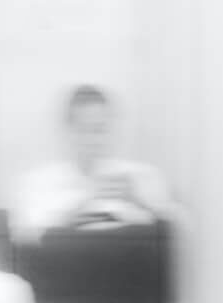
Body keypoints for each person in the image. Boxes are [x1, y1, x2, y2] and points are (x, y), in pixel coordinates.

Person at [9, 85, 182, 247]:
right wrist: (81, 205)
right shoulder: (38, 183)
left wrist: (139, 201)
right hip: (61, 270)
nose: (93, 140)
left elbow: (182, 230)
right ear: (68, 131)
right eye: (83, 130)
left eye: (100, 130)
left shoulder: (138, 176)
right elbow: (22, 236)